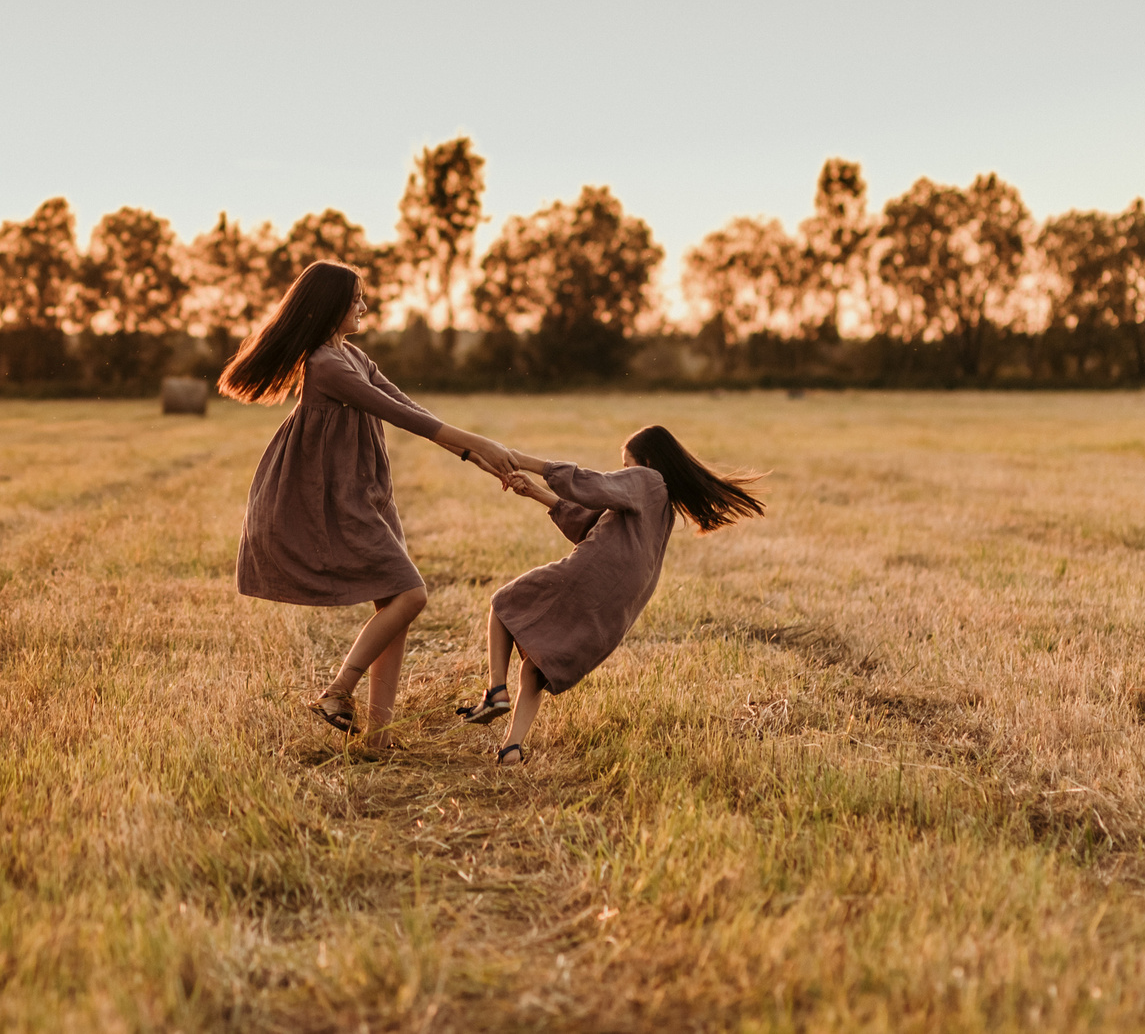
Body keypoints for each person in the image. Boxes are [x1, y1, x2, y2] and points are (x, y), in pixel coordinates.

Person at [222, 261, 510, 739]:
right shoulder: (326, 365)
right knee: (411, 594)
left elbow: (411, 406)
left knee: (395, 599)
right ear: (331, 305)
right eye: (357, 298)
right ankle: (338, 690)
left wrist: (474, 454)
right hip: (333, 496)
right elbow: (401, 416)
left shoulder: (353, 356)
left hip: (365, 490)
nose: (365, 306)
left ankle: (379, 734)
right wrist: (480, 443)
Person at [460, 425, 765, 763]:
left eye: (627, 465)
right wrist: (534, 492)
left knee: (503, 604)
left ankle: (496, 691)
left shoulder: (648, 480)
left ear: (647, 462)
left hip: (590, 576)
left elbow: (592, 485)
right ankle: (511, 750)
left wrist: (522, 460)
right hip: (615, 607)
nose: (625, 473)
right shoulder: (660, 508)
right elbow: (590, 524)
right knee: (536, 667)